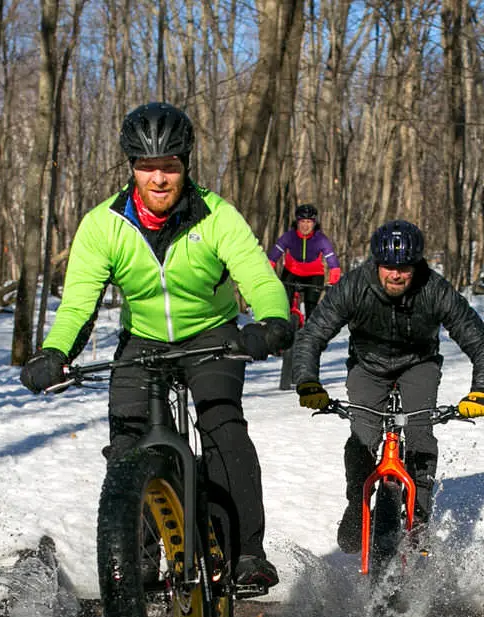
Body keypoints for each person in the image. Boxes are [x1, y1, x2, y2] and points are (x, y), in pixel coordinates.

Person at [19, 102, 292, 592]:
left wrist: (271, 320)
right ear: (131, 168)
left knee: (223, 428)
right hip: (142, 340)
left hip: (212, 337)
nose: (159, 178)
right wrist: (55, 353)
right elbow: (78, 304)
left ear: (186, 164)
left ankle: (246, 554)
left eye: (170, 165)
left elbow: (258, 275)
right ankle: (135, 561)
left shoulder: (216, 215)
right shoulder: (104, 224)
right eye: (148, 167)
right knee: (128, 443)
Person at [290, 219, 484, 551]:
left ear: (416, 264)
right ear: (376, 262)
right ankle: (355, 503)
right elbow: (313, 335)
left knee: (420, 432)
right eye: (388, 267)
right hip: (368, 367)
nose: (396, 274)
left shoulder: (435, 289)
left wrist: (482, 391)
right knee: (363, 434)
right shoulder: (354, 286)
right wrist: (307, 381)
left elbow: (483, 344)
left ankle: (419, 517)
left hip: (419, 365)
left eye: (404, 267)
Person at [267, 204, 342, 389]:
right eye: (302, 222)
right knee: (283, 308)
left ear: (314, 223)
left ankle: (309, 344)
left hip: (313, 275)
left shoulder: (320, 239)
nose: (306, 226)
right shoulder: (289, 236)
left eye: (309, 222)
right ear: (297, 222)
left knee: (311, 312)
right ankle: (280, 340)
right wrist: (266, 273)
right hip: (291, 273)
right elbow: (273, 256)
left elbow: (333, 262)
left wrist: (333, 280)